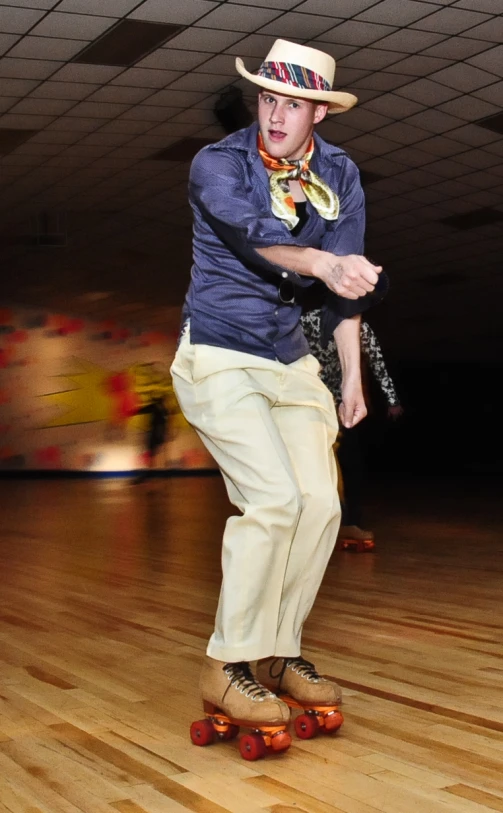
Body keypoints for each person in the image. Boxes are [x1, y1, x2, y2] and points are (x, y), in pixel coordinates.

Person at [170, 39, 388, 739]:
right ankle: (224, 660)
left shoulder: (340, 173)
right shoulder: (219, 164)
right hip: (218, 351)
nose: (274, 114)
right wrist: (325, 263)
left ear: (317, 111)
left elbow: (344, 284)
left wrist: (350, 376)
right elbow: (258, 240)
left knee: (320, 503)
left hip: (290, 358)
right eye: (267, 98)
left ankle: (276, 650)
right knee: (272, 499)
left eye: (291, 104)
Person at [301, 312, 402, 549]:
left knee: (350, 465)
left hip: (341, 407)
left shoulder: (360, 330)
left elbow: (378, 363)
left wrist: (392, 399)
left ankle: (349, 522)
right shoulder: (306, 323)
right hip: (312, 406)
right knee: (322, 467)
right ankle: (320, 522)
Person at [133, 395, 169, 484]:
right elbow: (165, 424)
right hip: (158, 434)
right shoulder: (163, 410)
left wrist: (133, 411)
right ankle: (151, 474)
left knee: (151, 454)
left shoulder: (156, 408)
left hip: (155, 434)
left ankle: (148, 474)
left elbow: (143, 410)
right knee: (153, 454)